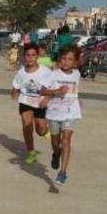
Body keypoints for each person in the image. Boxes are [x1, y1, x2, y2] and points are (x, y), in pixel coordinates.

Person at [42, 45, 82, 186]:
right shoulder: (53, 74)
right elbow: (43, 91)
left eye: (70, 59)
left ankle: (63, 172)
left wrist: (78, 99)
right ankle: (56, 152)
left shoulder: (77, 75)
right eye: (64, 58)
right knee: (55, 141)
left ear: (75, 62)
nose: (66, 62)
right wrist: (56, 91)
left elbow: (74, 91)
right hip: (54, 112)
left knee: (66, 141)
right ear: (60, 59)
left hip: (71, 112)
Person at [10, 43, 51, 164]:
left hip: (40, 103)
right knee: (27, 125)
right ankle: (31, 152)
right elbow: (16, 85)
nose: (30, 58)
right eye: (27, 55)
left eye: (33, 55)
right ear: (24, 56)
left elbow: (52, 86)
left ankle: (46, 131)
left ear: (37, 56)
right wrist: (14, 93)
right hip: (25, 101)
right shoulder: (21, 72)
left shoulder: (45, 71)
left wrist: (47, 98)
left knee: (40, 130)